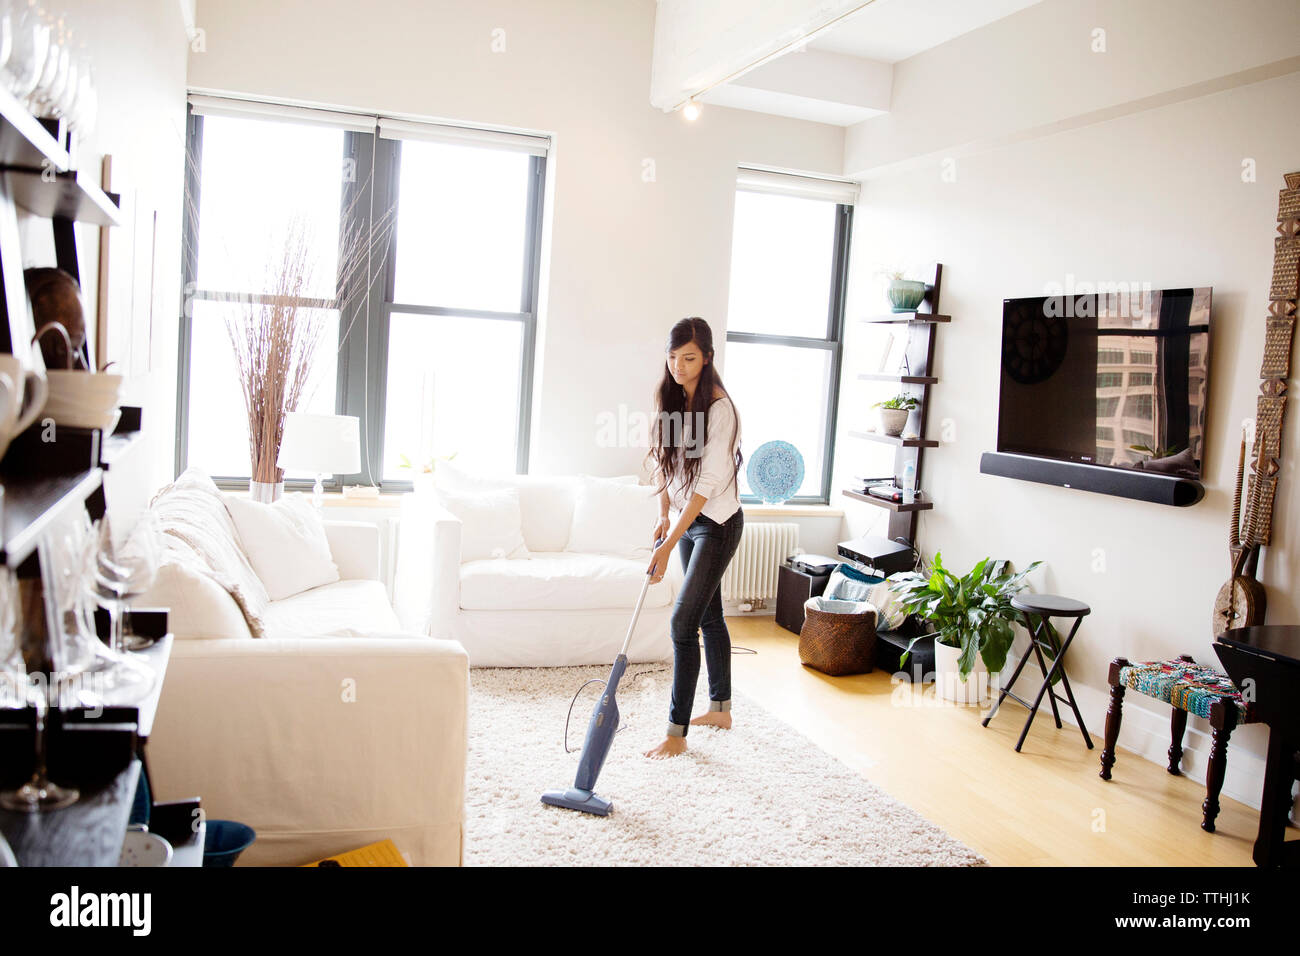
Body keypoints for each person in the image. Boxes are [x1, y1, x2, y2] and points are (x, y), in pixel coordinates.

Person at [642, 317, 744, 760]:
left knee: (683, 624)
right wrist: (664, 516)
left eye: (688, 358)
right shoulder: (671, 399)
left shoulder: (719, 409)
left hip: (717, 522)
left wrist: (667, 547)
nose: (678, 366)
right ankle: (720, 708)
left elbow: (704, 485)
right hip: (686, 520)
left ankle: (676, 733)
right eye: (672, 356)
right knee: (709, 615)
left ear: (707, 358)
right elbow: (666, 466)